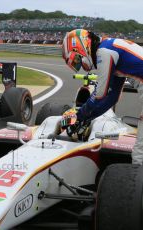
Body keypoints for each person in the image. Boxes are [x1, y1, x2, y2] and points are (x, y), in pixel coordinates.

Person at [61, 29, 143, 165]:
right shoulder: (110, 47)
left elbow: (100, 93)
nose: (81, 64)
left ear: (82, 47)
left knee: (139, 156)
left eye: (77, 59)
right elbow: (112, 98)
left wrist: (79, 116)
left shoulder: (104, 51)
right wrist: (87, 118)